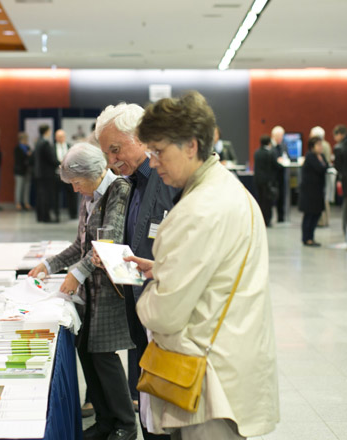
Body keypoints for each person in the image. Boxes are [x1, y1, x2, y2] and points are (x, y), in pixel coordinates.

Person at [126, 91, 278, 439]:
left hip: (205, 380)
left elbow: (163, 314)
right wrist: (164, 267)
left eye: (159, 151)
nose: (152, 162)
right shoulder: (227, 189)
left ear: (191, 146)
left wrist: (149, 291)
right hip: (230, 360)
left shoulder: (197, 210)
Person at [27, 143, 137, 440]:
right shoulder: (89, 197)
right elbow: (81, 245)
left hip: (111, 289)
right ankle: (104, 421)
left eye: (76, 183)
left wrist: (77, 273)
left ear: (91, 174)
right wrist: (49, 265)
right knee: (88, 353)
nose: (75, 190)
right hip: (91, 292)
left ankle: (125, 425)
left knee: (103, 355)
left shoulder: (118, 190)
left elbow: (109, 241)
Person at [95, 102, 178, 440]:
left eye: (116, 149)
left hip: (166, 317)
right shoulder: (128, 184)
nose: (112, 161)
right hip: (137, 313)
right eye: (107, 154)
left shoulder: (169, 180)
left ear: (141, 138)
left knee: (165, 413)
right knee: (145, 406)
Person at [299, 136, 328, 246]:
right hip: (309, 192)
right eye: (318, 145)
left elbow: (326, 166)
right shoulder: (310, 157)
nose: (321, 147)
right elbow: (321, 169)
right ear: (312, 147)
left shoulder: (321, 156)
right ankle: (306, 238)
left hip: (318, 190)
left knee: (316, 214)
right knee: (309, 215)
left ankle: (311, 237)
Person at [33, 124, 59, 222]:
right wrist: (61, 163)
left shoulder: (38, 142)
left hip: (38, 173)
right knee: (46, 196)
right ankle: (46, 217)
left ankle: (40, 216)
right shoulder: (45, 143)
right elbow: (51, 159)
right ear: (47, 131)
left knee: (40, 196)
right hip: (46, 174)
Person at [253, 134, 279, 227]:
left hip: (258, 180)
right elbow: (275, 165)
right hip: (267, 181)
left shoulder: (257, 152)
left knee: (260, 200)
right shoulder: (270, 153)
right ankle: (267, 220)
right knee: (267, 201)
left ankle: (261, 219)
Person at [309, 126, 333, 227]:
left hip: (321, 177)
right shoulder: (327, 144)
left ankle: (322, 220)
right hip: (326, 175)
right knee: (325, 199)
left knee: (323, 200)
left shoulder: (319, 147)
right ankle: (325, 220)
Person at [54, 129, 78, 219]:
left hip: (69, 175)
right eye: (58, 137)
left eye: (62, 136)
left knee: (72, 195)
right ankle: (56, 214)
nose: (60, 138)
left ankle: (73, 214)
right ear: (56, 138)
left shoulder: (69, 146)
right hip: (57, 175)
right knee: (56, 196)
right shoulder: (53, 147)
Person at [270, 125, 287, 222]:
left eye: (282, 136)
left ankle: (281, 217)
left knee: (282, 197)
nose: (281, 138)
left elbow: (286, 156)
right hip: (273, 176)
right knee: (273, 197)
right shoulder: (271, 147)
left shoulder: (283, 146)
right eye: (279, 136)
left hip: (282, 175)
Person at [13, 132, 33, 211]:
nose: (26, 140)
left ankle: (26, 203)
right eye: (25, 139)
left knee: (26, 187)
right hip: (19, 171)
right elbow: (18, 159)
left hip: (27, 170)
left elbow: (31, 158)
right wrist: (26, 155)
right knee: (19, 187)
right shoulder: (17, 148)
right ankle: (18, 203)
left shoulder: (28, 147)